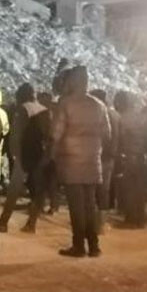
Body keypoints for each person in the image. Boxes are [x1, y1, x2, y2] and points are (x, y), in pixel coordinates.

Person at [52, 67, 111, 258]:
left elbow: (55, 134)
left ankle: (78, 245)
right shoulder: (99, 105)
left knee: (76, 206)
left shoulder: (66, 104)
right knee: (89, 204)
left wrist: (51, 155)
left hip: (71, 161)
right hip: (93, 161)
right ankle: (94, 245)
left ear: (72, 82)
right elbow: (107, 134)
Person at [0, 83, 46, 232]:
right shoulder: (44, 109)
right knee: (37, 191)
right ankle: (31, 224)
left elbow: (16, 135)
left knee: (14, 190)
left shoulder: (23, 109)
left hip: (25, 154)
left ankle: (3, 222)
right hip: (41, 155)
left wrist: (15, 155)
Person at [113, 92, 147, 227]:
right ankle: (139, 219)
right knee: (139, 190)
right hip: (142, 156)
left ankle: (131, 218)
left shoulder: (122, 119)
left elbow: (120, 139)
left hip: (129, 157)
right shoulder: (140, 117)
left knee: (129, 189)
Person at [90, 89, 121, 215]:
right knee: (104, 187)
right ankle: (102, 216)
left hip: (98, 154)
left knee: (95, 187)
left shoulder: (99, 113)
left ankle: (97, 216)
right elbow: (119, 136)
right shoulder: (115, 115)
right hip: (109, 154)